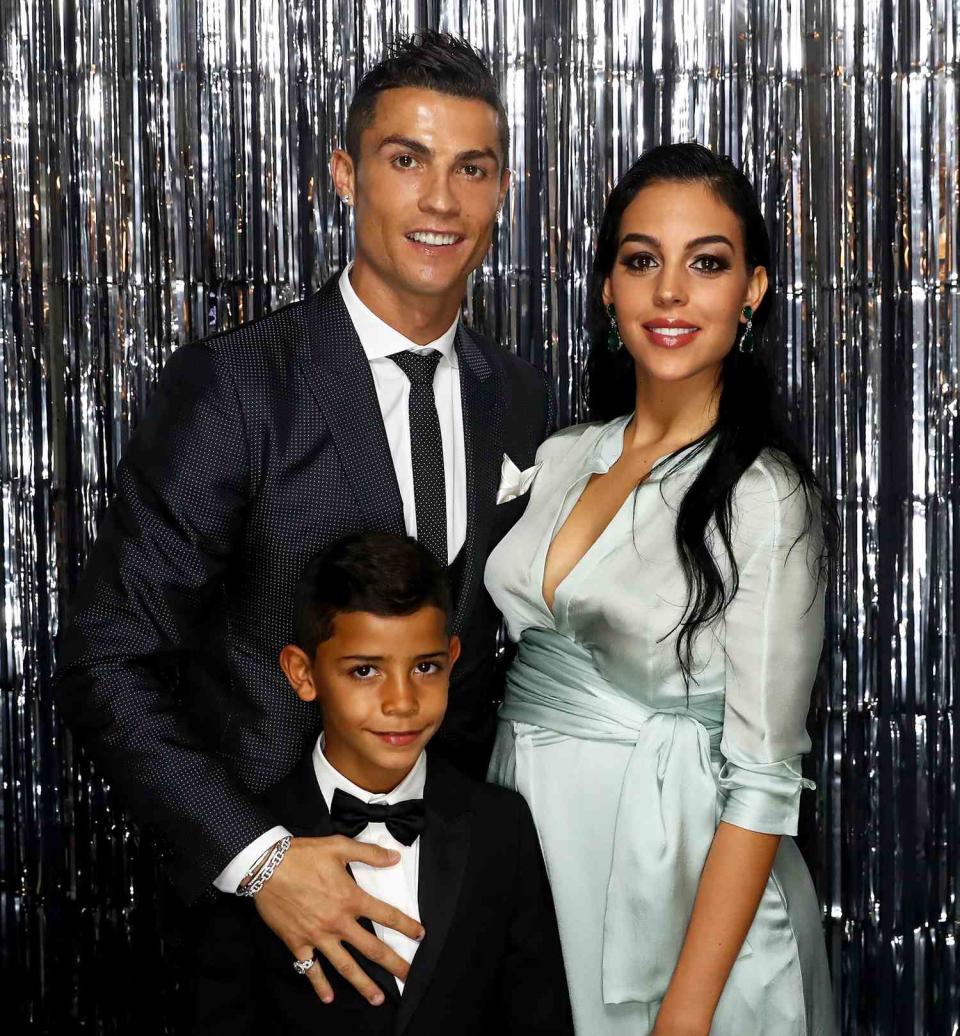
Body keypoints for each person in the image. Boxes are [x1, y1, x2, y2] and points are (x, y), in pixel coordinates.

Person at [53, 31, 552, 1008]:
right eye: (406, 160)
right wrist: (260, 858)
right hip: (258, 938)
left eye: (472, 169)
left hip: (462, 937)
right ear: (344, 173)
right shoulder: (235, 388)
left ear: (501, 189)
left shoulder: (522, 400)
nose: (440, 200)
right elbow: (106, 657)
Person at [485, 142, 837, 1035]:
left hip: (683, 903)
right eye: (642, 260)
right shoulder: (566, 456)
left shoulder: (766, 498)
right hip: (533, 868)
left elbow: (763, 783)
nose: (670, 292)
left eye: (706, 263)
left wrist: (684, 1018)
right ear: (609, 287)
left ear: (752, 290)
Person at [193, 530, 573, 1034]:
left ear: (452, 659)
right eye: (366, 670)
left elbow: (537, 1014)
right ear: (303, 673)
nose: (402, 702)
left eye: (425, 667)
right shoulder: (246, 843)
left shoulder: (501, 825)